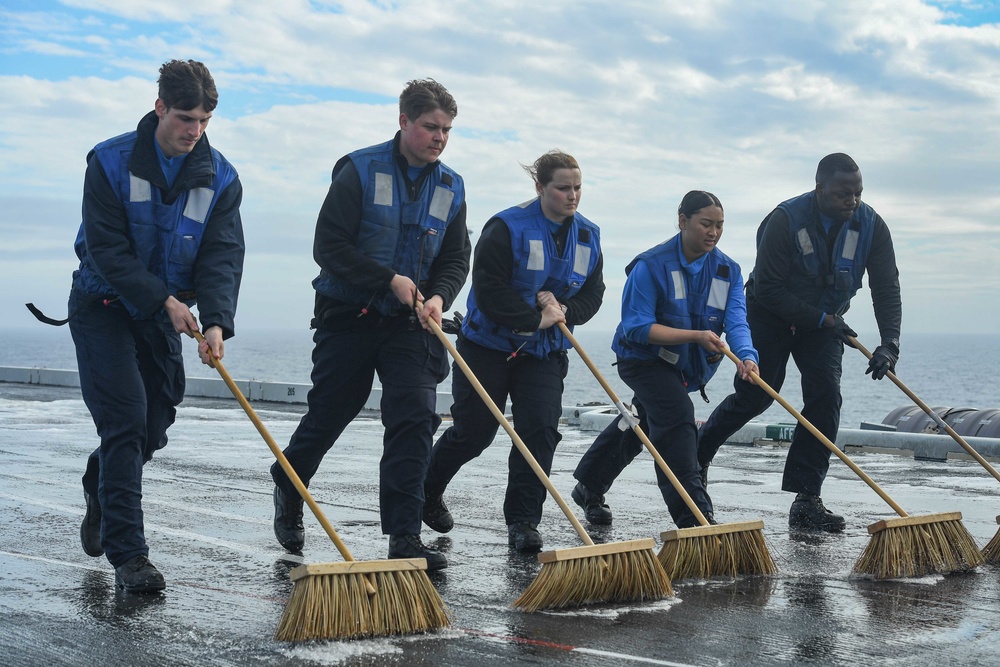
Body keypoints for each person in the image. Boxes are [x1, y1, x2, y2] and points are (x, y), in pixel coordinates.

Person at [270, 79, 470, 571]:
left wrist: (440, 294)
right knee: (331, 413)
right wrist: (388, 280)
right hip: (349, 316)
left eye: (446, 130)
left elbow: (455, 256)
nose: (439, 137)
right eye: (429, 127)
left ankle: (404, 538)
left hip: (411, 325)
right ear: (403, 122)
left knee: (415, 417)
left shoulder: (452, 186)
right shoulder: (357, 170)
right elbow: (329, 248)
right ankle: (288, 482)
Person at [67, 59, 245, 593]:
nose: (195, 131)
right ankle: (129, 557)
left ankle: (101, 482)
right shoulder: (108, 161)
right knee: (124, 422)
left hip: (163, 316)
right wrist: (163, 299)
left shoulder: (221, 177)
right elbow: (109, 251)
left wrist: (215, 321)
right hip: (103, 305)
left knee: (153, 425)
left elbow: (222, 255)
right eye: (186, 118)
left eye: (205, 121)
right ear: (160, 106)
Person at [697, 153, 902, 532]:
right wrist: (822, 319)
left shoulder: (872, 226)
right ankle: (699, 451)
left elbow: (886, 286)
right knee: (758, 393)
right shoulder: (784, 220)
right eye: (843, 194)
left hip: (824, 323)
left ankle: (807, 498)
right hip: (770, 314)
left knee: (826, 397)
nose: (852, 201)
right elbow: (770, 289)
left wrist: (889, 344)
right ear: (820, 187)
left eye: (857, 194)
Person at [420, 150, 604, 551]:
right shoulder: (506, 227)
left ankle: (523, 522)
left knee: (538, 432)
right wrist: (533, 318)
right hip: (488, 345)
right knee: (475, 433)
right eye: (562, 188)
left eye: (577, 188)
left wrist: (566, 311)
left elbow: (594, 291)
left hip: (545, 352)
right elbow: (488, 290)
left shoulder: (589, 235)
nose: (572, 196)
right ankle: (425, 490)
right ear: (540, 187)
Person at [571, 191, 757, 528]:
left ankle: (589, 486)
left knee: (640, 419)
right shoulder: (650, 266)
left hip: (684, 366)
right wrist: (696, 337)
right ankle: (695, 517)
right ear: (683, 221)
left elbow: (737, 321)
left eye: (719, 225)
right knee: (675, 417)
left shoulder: (728, 271)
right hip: (642, 358)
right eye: (706, 224)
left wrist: (746, 356)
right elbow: (637, 327)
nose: (713, 232)